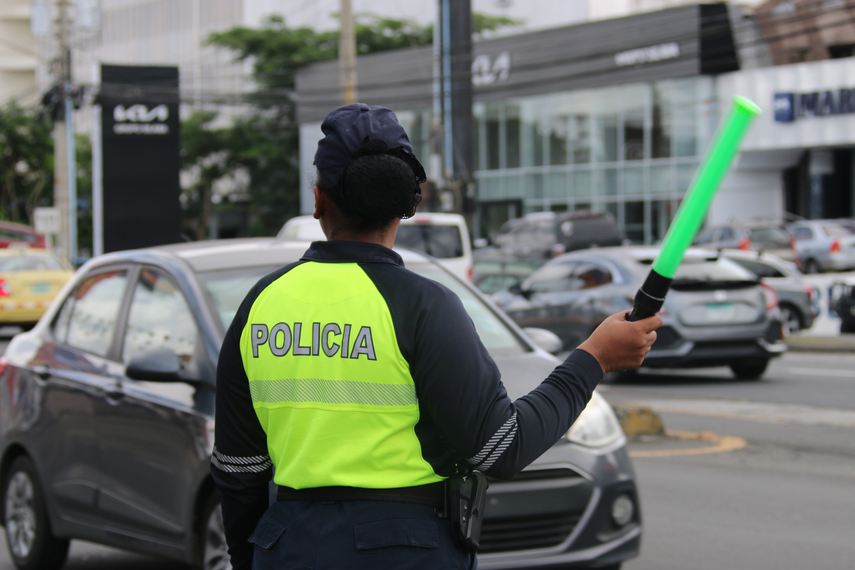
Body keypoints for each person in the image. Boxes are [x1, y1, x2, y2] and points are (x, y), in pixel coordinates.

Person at [211, 103, 661, 570]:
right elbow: (499, 449)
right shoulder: (424, 305)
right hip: (407, 553)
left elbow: (238, 471)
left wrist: (253, 558)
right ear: (409, 205)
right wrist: (593, 358)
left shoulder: (261, 303)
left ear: (320, 200)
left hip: (288, 549)